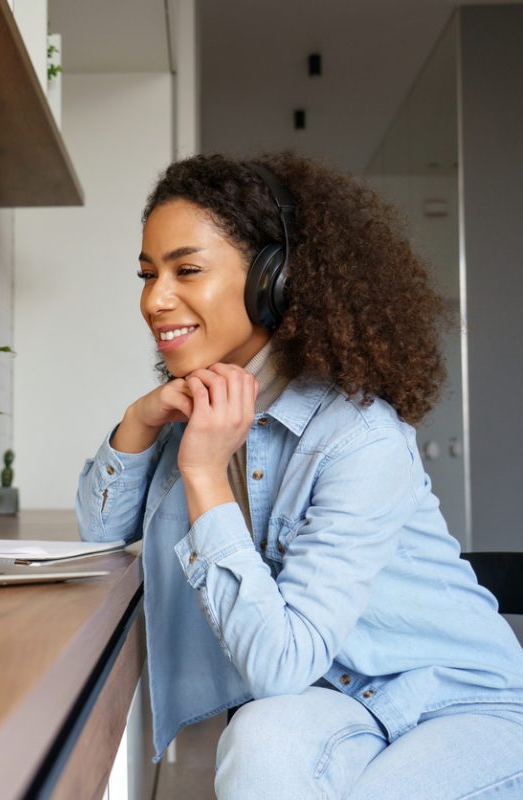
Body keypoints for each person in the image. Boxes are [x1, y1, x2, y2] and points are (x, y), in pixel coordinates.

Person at [75, 152, 523, 799]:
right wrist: (139, 423)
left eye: (186, 270)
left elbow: (279, 662)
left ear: (272, 279)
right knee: (261, 743)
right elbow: (101, 527)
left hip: (460, 702)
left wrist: (203, 475)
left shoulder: (360, 437)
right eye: (147, 275)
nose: (154, 299)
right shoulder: (198, 411)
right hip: (341, 702)